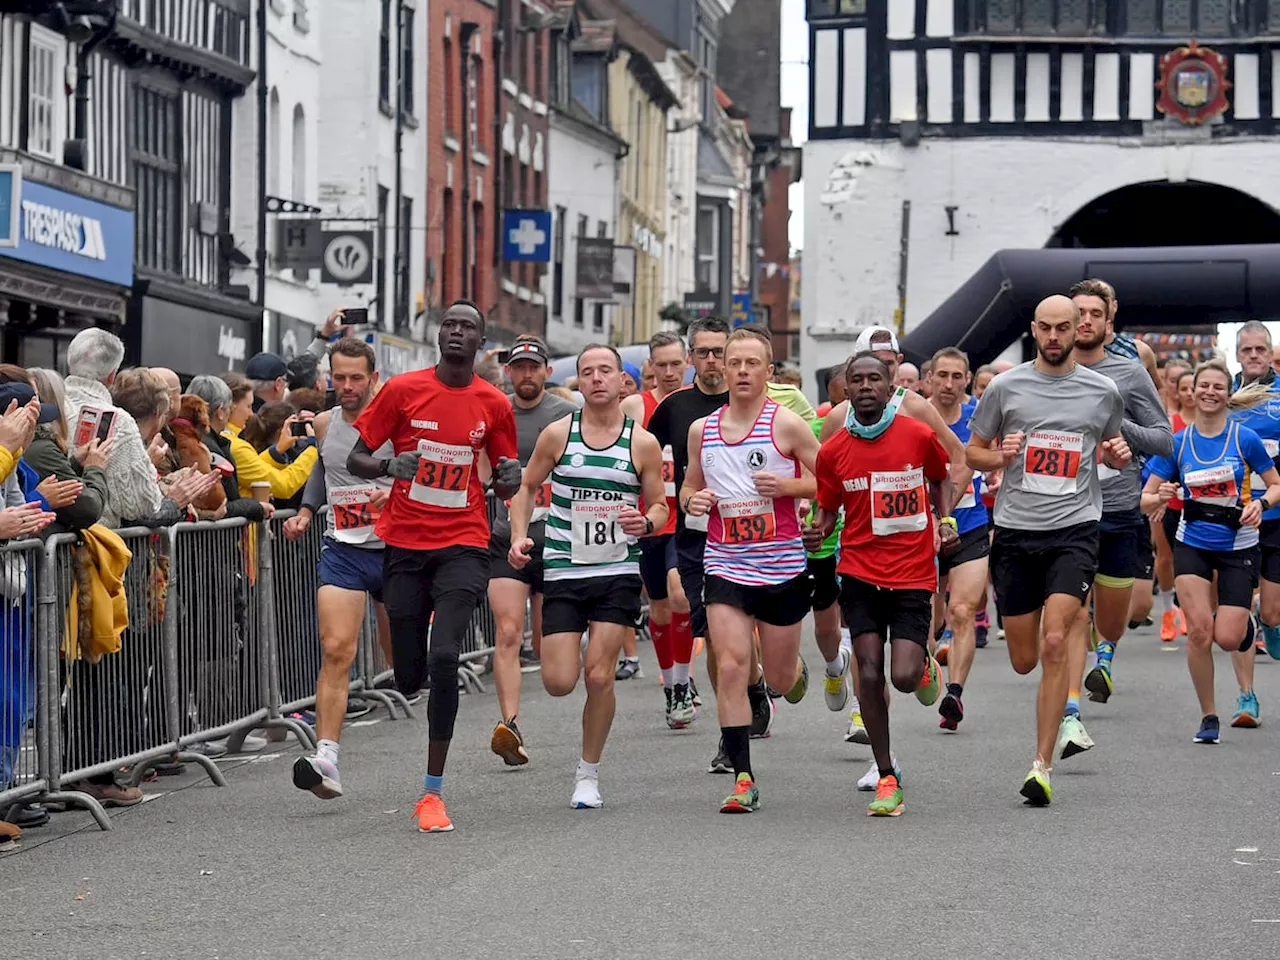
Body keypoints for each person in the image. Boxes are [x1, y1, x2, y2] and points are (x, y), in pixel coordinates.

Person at [347, 300, 520, 834]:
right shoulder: (402, 391)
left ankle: (432, 792)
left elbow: (505, 475)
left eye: (467, 328)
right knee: (408, 673)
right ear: (439, 336)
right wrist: (386, 465)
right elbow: (357, 456)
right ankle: (413, 674)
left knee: (445, 656)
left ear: (480, 344)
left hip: (463, 543)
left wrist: (509, 479)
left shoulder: (494, 403)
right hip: (403, 543)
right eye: (449, 325)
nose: (456, 333)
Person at [965, 294, 1129, 806]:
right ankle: (1043, 654)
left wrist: (1117, 454)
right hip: (1015, 532)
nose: (1056, 337)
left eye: (1065, 328)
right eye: (1047, 328)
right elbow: (973, 451)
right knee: (1023, 658)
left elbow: (1113, 449)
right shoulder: (1007, 387)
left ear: (1080, 328)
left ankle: (1041, 765)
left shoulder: (1103, 391)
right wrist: (998, 454)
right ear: (1033, 330)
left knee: (1057, 639)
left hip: (1075, 528)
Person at [507, 344, 668, 807]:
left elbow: (658, 503)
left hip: (617, 569)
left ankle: (587, 774)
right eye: (587, 372)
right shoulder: (559, 435)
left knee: (600, 677)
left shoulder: (641, 442)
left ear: (622, 382)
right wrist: (519, 536)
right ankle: (578, 642)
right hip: (562, 567)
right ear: (579, 381)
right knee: (559, 680)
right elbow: (526, 485)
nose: (597, 379)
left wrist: (649, 522)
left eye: (605, 371)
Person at [679, 327, 820, 814]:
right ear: (719, 367)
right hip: (725, 564)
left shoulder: (787, 427)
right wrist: (692, 499)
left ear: (768, 371)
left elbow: (831, 482)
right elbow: (687, 488)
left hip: (782, 567)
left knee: (778, 678)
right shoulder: (704, 430)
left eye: (750, 363)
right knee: (733, 666)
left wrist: (788, 488)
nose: (740, 370)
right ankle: (743, 777)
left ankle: (792, 672)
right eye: (732, 362)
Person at [806, 352, 949, 815]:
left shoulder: (918, 434)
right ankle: (886, 773)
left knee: (902, 677)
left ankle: (924, 663)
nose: (866, 386)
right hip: (860, 570)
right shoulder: (832, 451)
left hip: (911, 572)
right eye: (857, 380)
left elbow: (940, 476)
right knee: (867, 671)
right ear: (845, 390)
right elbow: (827, 507)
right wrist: (819, 529)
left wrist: (944, 519)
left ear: (891, 388)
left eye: (875, 379)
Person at [646, 318, 776, 772]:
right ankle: (730, 739)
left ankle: (759, 684)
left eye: (720, 351)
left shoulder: (762, 405)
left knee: (753, 643)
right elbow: (645, 459)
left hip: (761, 540)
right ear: (691, 358)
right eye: (703, 352)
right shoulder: (675, 408)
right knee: (719, 638)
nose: (713, 361)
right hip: (700, 538)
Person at [1054, 281, 1172, 761]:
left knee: (1113, 620)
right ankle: (1070, 714)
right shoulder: (1042, 375)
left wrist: (1118, 427)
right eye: (1076, 312)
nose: (1084, 321)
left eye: (1092, 314)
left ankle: (1105, 656)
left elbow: (1164, 439)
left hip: (1119, 509)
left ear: (1108, 322)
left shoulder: (1126, 373)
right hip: (1061, 512)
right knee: (1068, 617)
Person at [1142, 359, 1280, 744]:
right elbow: (1145, 497)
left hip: (1238, 545)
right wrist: (1162, 494)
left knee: (1227, 637)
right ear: (1194, 389)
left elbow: (1275, 484)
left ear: (1226, 394)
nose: (1209, 392)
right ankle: (1208, 716)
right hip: (1193, 543)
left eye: (1218, 387)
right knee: (1200, 633)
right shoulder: (1178, 442)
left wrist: (1262, 506)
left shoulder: (1243, 439)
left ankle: (1246, 625)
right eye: (1204, 385)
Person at [284, 337, 393, 799]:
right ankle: (326, 757)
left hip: (395, 549)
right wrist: (308, 512)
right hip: (343, 548)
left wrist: (397, 493)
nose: (347, 386)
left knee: (403, 664)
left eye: (356, 378)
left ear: (373, 378)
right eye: (339, 377)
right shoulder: (325, 422)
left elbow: (423, 470)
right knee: (336, 649)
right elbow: (323, 471)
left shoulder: (396, 420)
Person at [486, 336, 577, 766]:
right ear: (509, 371)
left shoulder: (565, 416)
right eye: (518, 367)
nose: (525, 374)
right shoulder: (495, 410)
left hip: (555, 538)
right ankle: (511, 725)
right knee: (506, 632)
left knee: (545, 648)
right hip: (504, 537)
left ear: (547, 372)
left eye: (533, 367)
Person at [619, 332, 697, 722]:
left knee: (679, 594)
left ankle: (683, 683)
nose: (668, 372)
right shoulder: (636, 405)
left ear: (687, 363)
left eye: (675, 364)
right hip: (648, 519)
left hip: (684, 520)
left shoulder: (697, 404)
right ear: (651, 367)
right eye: (660, 365)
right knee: (661, 607)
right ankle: (670, 685)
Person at [928, 347, 992, 731]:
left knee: (963, 611)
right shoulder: (916, 415)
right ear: (929, 379)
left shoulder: (978, 418)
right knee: (932, 619)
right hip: (922, 529)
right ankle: (931, 656)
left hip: (968, 525)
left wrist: (947, 515)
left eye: (957, 376)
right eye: (942, 376)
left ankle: (954, 693)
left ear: (966, 379)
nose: (949, 384)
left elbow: (966, 466)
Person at [1224, 322, 1280, 726]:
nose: (1255, 355)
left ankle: (1271, 623)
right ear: (1238, 353)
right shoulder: (1224, 395)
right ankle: (1247, 697)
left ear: (1271, 351)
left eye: (1262, 349)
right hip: (1234, 516)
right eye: (1248, 350)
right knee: (1237, 609)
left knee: (1272, 613)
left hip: (1276, 513)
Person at [220, 373, 318, 500]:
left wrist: (277, 451)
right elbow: (284, 485)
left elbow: (254, 468)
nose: (251, 414)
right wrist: (312, 448)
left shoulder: (227, 441)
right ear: (231, 407)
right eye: (248, 406)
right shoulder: (236, 447)